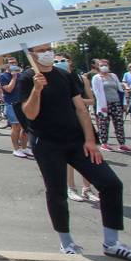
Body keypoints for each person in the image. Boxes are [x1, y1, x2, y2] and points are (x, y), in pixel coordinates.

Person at [21, 43, 131, 261]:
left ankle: (112, 243)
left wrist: (90, 140)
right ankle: (66, 242)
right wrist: (37, 90)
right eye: (41, 50)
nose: (48, 53)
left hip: (77, 142)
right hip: (47, 144)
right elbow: (30, 114)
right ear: (31, 54)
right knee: (57, 192)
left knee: (110, 184)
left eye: (49, 48)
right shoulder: (27, 78)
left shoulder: (64, 75)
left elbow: (80, 108)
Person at [53, 52, 100, 204]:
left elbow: (92, 100)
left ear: (70, 61)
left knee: (88, 155)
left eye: (63, 60)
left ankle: (87, 189)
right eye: (56, 61)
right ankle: (71, 188)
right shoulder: (53, 79)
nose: (60, 62)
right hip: (65, 120)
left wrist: (76, 100)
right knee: (68, 157)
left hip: (82, 119)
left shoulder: (81, 78)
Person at [91, 59, 131, 153]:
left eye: (105, 65)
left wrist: (124, 103)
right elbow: (97, 93)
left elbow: (120, 90)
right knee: (104, 124)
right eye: (101, 65)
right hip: (104, 104)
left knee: (119, 123)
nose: (104, 67)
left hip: (116, 102)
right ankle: (104, 143)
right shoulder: (96, 78)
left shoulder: (113, 76)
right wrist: (102, 105)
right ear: (98, 67)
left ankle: (122, 144)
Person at [0, 57, 30, 158]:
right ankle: (16, 149)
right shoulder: (3, 76)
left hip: (22, 103)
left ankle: (24, 148)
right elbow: (8, 89)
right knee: (15, 127)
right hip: (11, 104)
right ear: (7, 65)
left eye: (14, 62)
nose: (13, 64)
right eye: (10, 63)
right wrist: (14, 77)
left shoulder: (21, 75)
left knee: (24, 127)